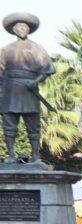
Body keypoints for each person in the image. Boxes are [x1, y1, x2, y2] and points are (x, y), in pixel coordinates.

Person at [0, 12, 55, 163]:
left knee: (33, 125)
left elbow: (48, 69)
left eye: (25, 27)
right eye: (20, 27)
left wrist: (36, 81)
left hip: (29, 90)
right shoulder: (6, 49)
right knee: (9, 125)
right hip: (10, 90)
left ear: (29, 30)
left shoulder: (36, 48)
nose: (23, 29)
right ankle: (10, 155)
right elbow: (1, 72)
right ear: (14, 30)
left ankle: (36, 156)